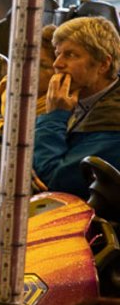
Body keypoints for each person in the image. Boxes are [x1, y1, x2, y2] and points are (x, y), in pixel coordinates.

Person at [34, 15, 120, 198]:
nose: (57, 64)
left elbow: (53, 183)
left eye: (71, 55)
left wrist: (54, 116)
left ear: (103, 64)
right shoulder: (79, 100)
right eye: (58, 54)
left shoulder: (113, 122)